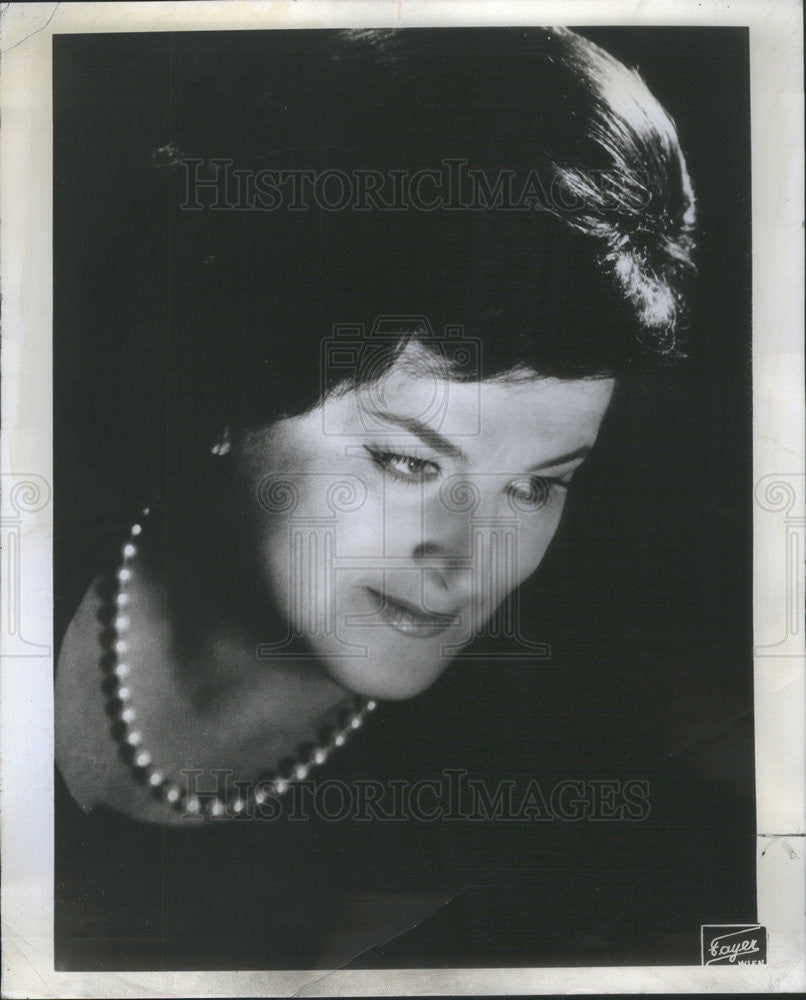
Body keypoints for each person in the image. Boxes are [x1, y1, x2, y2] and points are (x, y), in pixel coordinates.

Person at [54, 26, 732, 969]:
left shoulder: (518, 835)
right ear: (226, 380)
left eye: (539, 485)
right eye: (409, 463)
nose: (469, 560)